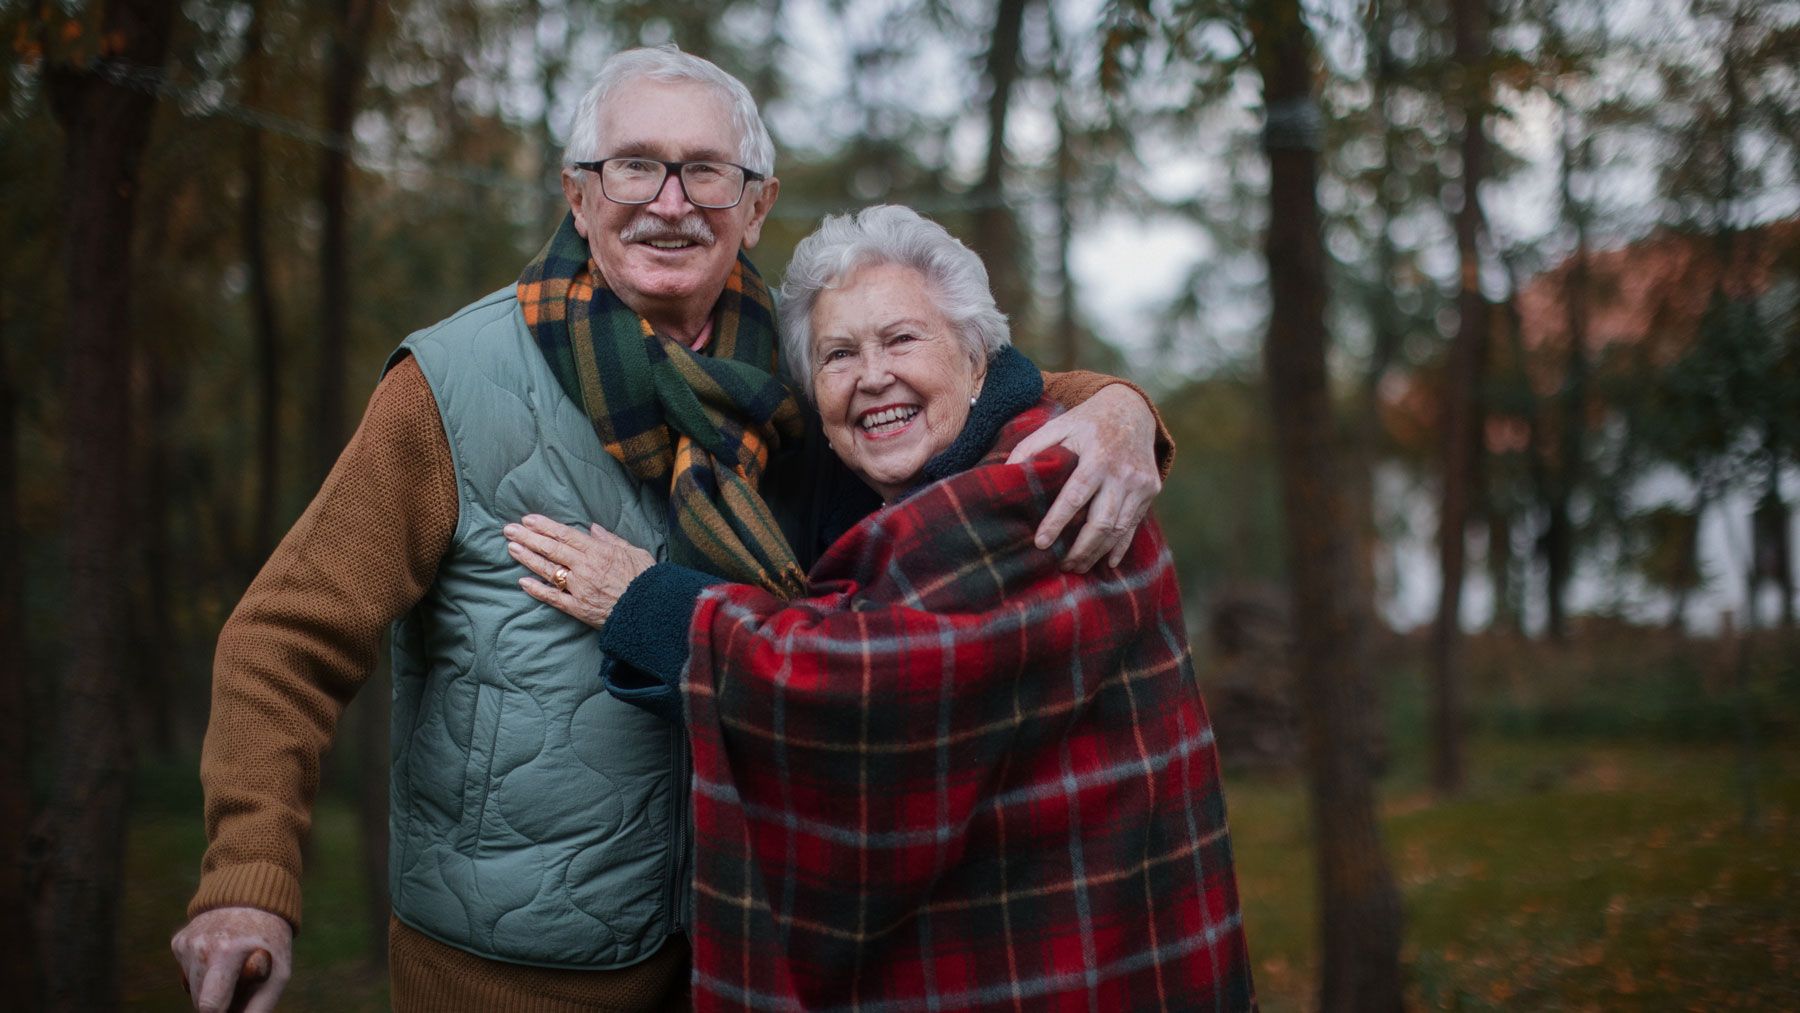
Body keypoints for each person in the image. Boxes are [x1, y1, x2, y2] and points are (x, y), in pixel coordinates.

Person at [170, 47, 1171, 1012]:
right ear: (577, 193)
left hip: (744, 945)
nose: (670, 201)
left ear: (757, 203)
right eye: (635, 167)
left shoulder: (803, 368)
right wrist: (246, 877)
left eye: (706, 172)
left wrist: (1122, 406)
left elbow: (965, 385)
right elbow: (286, 638)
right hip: (517, 965)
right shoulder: (452, 382)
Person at [504, 205, 1254, 1010]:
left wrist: (644, 600)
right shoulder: (884, 494)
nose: (871, 376)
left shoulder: (1046, 482)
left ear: (976, 360)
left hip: (1081, 962)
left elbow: (858, 684)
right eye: (837, 355)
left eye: (902, 339)